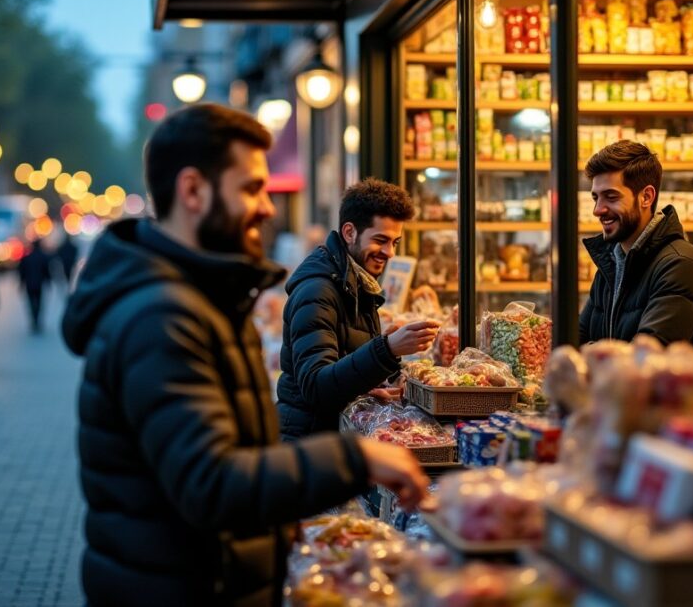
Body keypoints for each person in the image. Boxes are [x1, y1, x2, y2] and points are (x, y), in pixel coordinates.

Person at [61, 103, 427, 606]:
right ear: (193, 191)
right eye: (251, 189)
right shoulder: (162, 318)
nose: (268, 208)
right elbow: (211, 483)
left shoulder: (200, 299)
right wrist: (354, 456)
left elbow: (230, 454)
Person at [276, 179, 440, 441]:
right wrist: (386, 349)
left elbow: (342, 369)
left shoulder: (356, 282)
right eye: (380, 240)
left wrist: (372, 387)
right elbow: (317, 387)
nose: (389, 252)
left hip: (332, 440)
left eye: (395, 242)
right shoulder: (318, 291)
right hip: (311, 446)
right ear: (349, 232)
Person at [580, 140, 693, 349]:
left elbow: (645, 358)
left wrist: (587, 351)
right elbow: (574, 340)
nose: (598, 210)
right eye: (595, 198)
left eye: (611, 197)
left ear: (646, 197)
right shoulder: (611, 264)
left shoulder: (680, 265)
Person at [17, 238, 51, 332]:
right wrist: (48, 281)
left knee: (31, 302)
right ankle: (37, 320)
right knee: (39, 303)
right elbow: (47, 271)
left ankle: (34, 320)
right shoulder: (43, 257)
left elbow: (22, 272)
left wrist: (21, 283)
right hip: (39, 284)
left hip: (29, 284)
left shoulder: (27, 258)